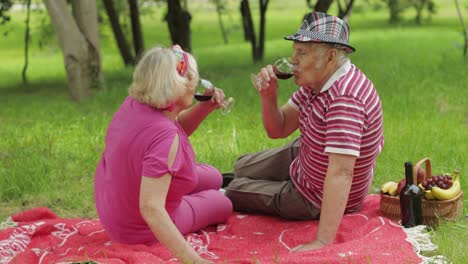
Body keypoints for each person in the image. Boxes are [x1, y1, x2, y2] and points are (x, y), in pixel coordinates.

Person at [225, 11, 384, 252]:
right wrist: (269, 97)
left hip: (315, 195)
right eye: (294, 51)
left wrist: (322, 241)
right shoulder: (316, 82)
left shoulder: (345, 100)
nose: (293, 60)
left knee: (234, 190)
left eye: (302, 53)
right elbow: (278, 129)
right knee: (241, 167)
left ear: (331, 57)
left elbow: (341, 174)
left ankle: (216, 188)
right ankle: (215, 179)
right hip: (309, 155)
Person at [94, 44, 233, 264]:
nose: (195, 83)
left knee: (215, 176)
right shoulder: (164, 138)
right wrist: (195, 261)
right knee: (222, 203)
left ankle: (196, 193)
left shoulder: (138, 103)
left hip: (116, 202)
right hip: (138, 228)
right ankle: (206, 197)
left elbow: (174, 128)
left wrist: (206, 106)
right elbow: (151, 209)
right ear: (176, 86)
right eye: (191, 78)